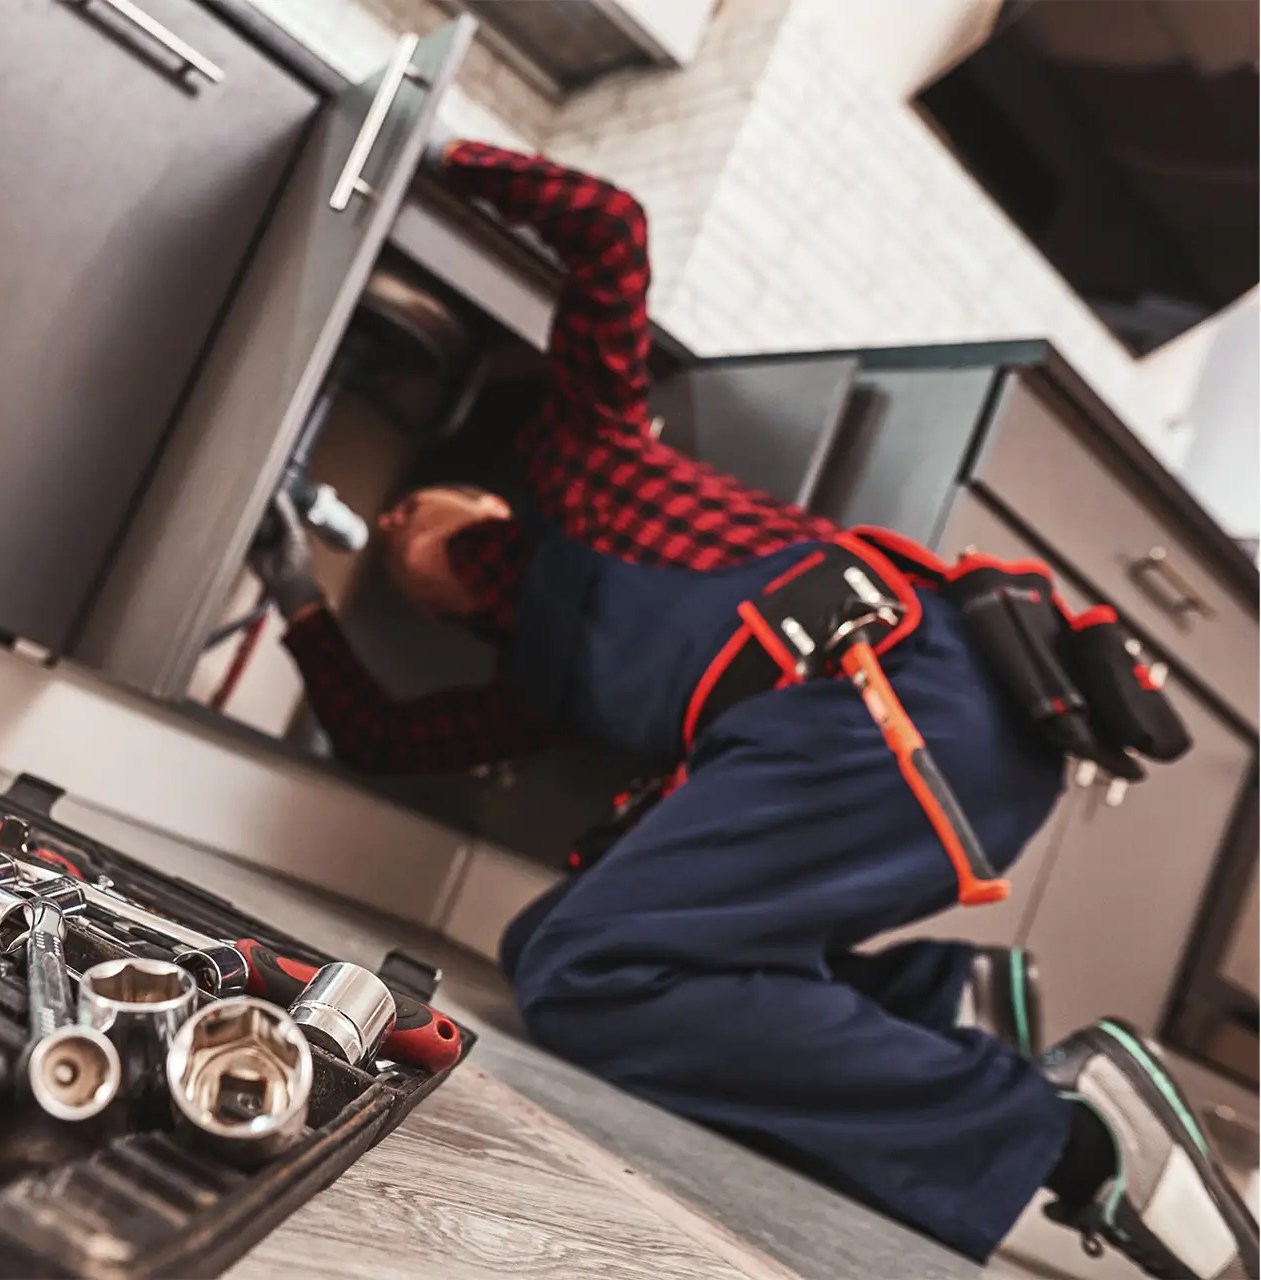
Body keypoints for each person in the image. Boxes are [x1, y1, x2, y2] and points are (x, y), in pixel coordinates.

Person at [250, 140, 1258, 1278]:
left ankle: (1069, 1134)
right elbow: (384, 735)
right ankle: (936, 1000)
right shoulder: (533, 686)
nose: (392, 535)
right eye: (388, 556)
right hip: (903, 746)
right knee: (564, 941)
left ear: (485, 493)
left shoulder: (588, 461)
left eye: (403, 517)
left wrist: (427, 154)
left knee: (589, 967)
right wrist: (295, 593)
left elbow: (607, 226)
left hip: (897, 692)